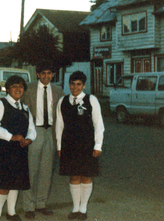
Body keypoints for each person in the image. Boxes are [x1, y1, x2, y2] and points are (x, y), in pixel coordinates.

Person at [0, 75, 36, 221]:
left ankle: (11, 212)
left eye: (20, 86)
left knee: (15, 182)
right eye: (14, 86)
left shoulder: (25, 108)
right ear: (8, 89)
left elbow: (32, 129)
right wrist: (11, 137)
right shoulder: (0, 104)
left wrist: (29, 139)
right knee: (2, 183)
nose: (18, 89)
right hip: (2, 150)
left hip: (19, 151)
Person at [56, 71, 105, 220]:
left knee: (86, 176)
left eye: (78, 84)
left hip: (87, 145)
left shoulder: (91, 100)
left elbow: (99, 125)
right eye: (72, 84)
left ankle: (83, 209)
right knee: (74, 176)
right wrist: (59, 146)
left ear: (83, 85)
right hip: (69, 145)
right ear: (69, 85)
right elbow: (59, 125)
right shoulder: (63, 101)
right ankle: (75, 208)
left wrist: (98, 145)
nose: (75, 87)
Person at [21, 62, 65, 219]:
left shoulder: (58, 90)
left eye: (50, 73)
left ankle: (41, 204)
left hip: (51, 132)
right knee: (31, 170)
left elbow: (63, 111)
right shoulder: (29, 88)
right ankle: (29, 206)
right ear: (38, 74)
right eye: (43, 73)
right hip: (35, 131)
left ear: (53, 75)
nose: (46, 76)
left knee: (47, 170)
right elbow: (15, 101)